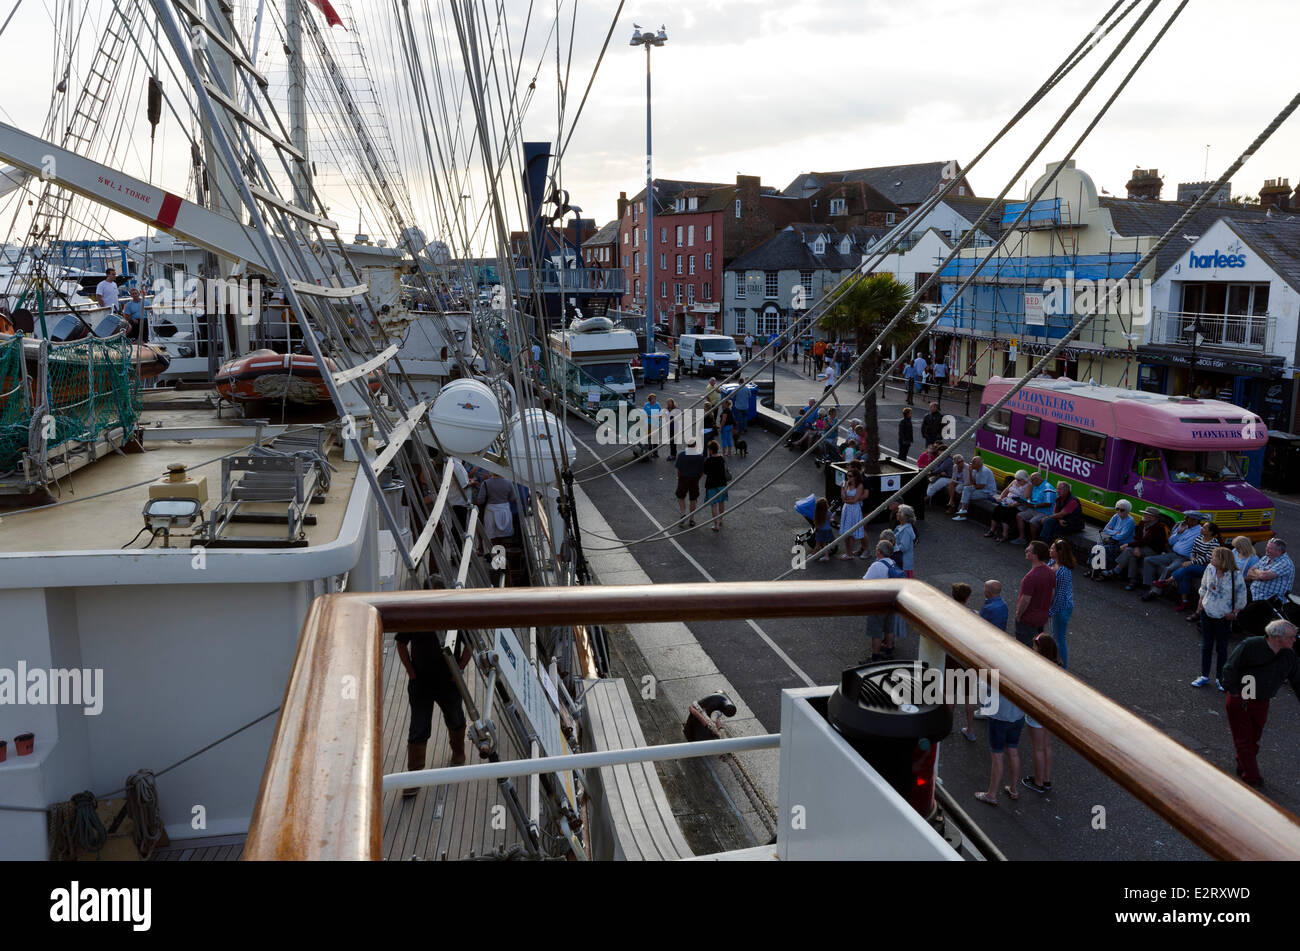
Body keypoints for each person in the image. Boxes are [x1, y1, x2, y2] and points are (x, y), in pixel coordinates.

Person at [1221, 619, 1300, 787]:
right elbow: (1230, 668)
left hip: (1262, 700)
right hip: (1242, 696)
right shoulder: (1250, 645)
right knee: (1244, 738)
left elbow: (1297, 680)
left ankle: (1243, 763)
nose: (1295, 639)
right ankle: (1252, 776)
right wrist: (1235, 693)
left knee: (1254, 737)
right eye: (1292, 637)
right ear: (1278, 638)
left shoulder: (1289, 655)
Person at [396, 629, 469, 797]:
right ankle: (414, 776)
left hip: (449, 682)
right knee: (418, 727)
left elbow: (470, 644)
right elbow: (401, 644)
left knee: (455, 718)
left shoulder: (456, 612)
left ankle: (458, 753)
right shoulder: (415, 614)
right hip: (420, 682)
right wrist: (411, 673)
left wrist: (459, 670)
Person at [1193, 546, 1247, 690]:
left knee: (1221, 648)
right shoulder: (1210, 568)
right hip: (1208, 612)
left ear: (1222, 560)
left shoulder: (1236, 575)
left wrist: (1234, 612)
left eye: (1214, 556)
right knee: (1206, 646)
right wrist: (1201, 603)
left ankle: (1219, 677)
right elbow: (1203, 586)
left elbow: (1241, 596)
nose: (1211, 558)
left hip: (1224, 616)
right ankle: (1204, 675)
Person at [975, 669, 1025, 806]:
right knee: (1013, 752)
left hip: (999, 716)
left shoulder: (997, 670)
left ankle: (991, 794)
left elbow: (984, 690)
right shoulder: (1023, 672)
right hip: (1018, 716)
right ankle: (1014, 789)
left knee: (997, 756)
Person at [1149, 520, 1221, 614]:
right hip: (1195, 562)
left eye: (1204, 528)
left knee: (1187, 568)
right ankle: (1184, 602)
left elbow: (1207, 558)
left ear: (1210, 532)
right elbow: (1193, 551)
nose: (1201, 529)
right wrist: (1192, 559)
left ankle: (1167, 581)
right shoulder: (1199, 538)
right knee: (1185, 576)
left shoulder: (1214, 543)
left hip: (1206, 567)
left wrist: (1191, 563)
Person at [1021, 632, 1059, 794]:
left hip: (1037, 712)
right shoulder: (1056, 665)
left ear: (1041, 649)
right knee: (1046, 745)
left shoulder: (1036, 667)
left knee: (1037, 748)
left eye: (1035, 646)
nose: (1032, 648)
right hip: (1050, 712)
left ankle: (1038, 782)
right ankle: (1046, 779)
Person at [863, 538, 905, 660]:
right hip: (891, 601)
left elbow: (864, 582)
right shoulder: (892, 563)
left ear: (879, 552)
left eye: (877, 547)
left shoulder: (876, 566)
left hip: (878, 602)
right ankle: (889, 650)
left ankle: (875, 656)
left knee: (876, 631)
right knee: (889, 628)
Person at [1141, 511, 1204, 589]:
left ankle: (1154, 591)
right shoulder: (1183, 526)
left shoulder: (1201, 531)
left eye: (1187, 517)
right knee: (1148, 560)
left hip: (1183, 558)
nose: (1184, 519)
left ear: (1195, 520)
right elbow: (1171, 542)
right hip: (1172, 554)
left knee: (1168, 569)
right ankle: (1148, 585)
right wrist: (1179, 533)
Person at [1112, 507, 1169, 590]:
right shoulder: (1143, 523)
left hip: (1153, 549)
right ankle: (1133, 580)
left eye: (1146, 514)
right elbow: (1137, 537)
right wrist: (1136, 547)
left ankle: (1117, 569)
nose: (1144, 515)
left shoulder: (1159, 527)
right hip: (1142, 546)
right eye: (1144, 513)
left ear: (1153, 517)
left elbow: (1146, 541)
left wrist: (1128, 545)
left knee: (1128, 550)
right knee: (1132, 555)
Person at [950, 583, 978, 743]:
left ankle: (949, 725)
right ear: (967, 598)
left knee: (950, 693)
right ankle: (970, 729)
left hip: (952, 656)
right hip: (968, 659)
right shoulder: (975, 614)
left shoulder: (947, 614)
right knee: (969, 696)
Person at [1015, 540, 1056, 646]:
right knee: (1038, 646)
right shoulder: (1050, 571)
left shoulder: (1030, 577)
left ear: (1035, 555)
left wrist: (1018, 615)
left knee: (1024, 647)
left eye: (1028, 550)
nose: (1025, 551)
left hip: (1028, 618)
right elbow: (1051, 594)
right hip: (1042, 617)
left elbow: (1025, 600)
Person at [1047, 539, 1075, 669]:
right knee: (1055, 635)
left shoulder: (1064, 571)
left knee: (1059, 638)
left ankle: (1063, 667)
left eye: (1052, 548)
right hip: (1057, 606)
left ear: (1059, 552)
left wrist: (1050, 611)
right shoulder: (1052, 562)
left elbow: (1061, 594)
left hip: (1061, 608)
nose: (1050, 550)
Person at [985, 469, 1031, 542]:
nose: (1017, 481)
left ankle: (1004, 535)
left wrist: (1012, 505)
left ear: (1024, 479)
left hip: (1017, 506)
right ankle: (992, 530)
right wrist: (1001, 498)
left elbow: (1023, 501)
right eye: (1017, 479)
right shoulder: (1015, 481)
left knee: (1005, 513)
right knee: (997, 510)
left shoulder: (1028, 486)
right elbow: (1006, 490)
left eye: (1019, 480)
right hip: (1007, 502)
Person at [476, 472, 518, 547]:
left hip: (491, 512)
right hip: (504, 510)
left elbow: (480, 501)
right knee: (505, 534)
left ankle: (496, 554)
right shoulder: (508, 482)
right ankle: (504, 554)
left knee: (493, 536)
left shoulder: (486, 483)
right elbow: (513, 498)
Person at [1014, 472, 1057, 543]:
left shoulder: (1047, 487)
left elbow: (1048, 503)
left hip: (1044, 512)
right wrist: (1028, 501)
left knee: (1032, 522)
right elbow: (1032, 498)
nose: (1031, 482)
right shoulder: (1035, 486)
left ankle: (1033, 542)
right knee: (1019, 516)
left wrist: (1034, 505)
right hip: (1034, 509)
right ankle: (1022, 538)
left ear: (1038, 479)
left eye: (1032, 480)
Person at [1096, 499, 1135, 577]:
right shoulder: (1116, 516)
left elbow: (1122, 536)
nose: (1119, 511)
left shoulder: (1130, 521)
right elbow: (1105, 529)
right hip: (1113, 541)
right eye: (1117, 509)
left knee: (1104, 549)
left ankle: (1103, 571)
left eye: (1122, 510)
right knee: (1097, 547)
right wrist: (1115, 532)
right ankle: (1095, 569)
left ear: (1127, 511)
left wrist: (1112, 531)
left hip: (1122, 544)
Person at [952, 456, 996, 520]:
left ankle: (962, 513)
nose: (971, 464)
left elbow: (981, 486)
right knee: (966, 490)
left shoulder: (984, 471)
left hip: (987, 492)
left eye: (973, 463)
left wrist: (971, 488)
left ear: (979, 464)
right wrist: (970, 472)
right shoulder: (975, 470)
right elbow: (973, 483)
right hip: (980, 489)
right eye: (971, 462)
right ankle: (962, 511)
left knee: (966, 494)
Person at [674, 440, 705, 527]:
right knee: (693, 499)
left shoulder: (681, 455)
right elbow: (702, 471)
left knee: (680, 496)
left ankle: (683, 513)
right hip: (694, 479)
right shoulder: (699, 456)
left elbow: (678, 470)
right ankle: (692, 519)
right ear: (695, 445)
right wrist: (698, 479)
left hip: (683, 478)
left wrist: (679, 478)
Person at [839, 468, 867, 560]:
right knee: (846, 532)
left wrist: (847, 500)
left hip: (854, 510)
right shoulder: (847, 483)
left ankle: (850, 554)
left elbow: (855, 500)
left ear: (855, 477)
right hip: (846, 509)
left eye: (850, 476)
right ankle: (848, 552)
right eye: (847, 475)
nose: (848, 478)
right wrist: (842, 488)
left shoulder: (860, 485)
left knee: (851, 533)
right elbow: (843, 497)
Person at [703, 439, 729, 531]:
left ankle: (716, 525)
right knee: (721, 502)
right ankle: (721, 519)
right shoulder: (721, 458)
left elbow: (705, 471)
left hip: (711, 484)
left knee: (714, 505)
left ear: (710, 450)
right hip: (722, 483)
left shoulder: (708, 460)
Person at [893, 505, 917, 577]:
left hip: (903, 563)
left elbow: (904, 547)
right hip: (900, 560)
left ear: (904, 517)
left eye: (899, 512)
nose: (897, 514)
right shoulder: (900, 527)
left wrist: (891, 548)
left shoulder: (906, 530)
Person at [812, 497, 834, 562]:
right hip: (828, 530)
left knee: (818, 544)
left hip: (821, 531)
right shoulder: (829, 512)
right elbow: (830, 520)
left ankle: (813, 555)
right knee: (825, 544)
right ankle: (826, 556)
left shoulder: (818, 514)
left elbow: (817, 525)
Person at [643, 393, 663, 458]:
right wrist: (651, 416)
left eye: (654, 398)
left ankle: (655, 452)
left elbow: (661, 413)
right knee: (649, 438)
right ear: (649, 399)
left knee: (655, 439)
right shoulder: (646, 405)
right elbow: (644, 414)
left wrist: (659, 416)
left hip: (656, 424)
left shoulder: (657, 404)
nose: (653, 400)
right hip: (648, 424)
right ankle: (649, 452)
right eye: (652, 398)